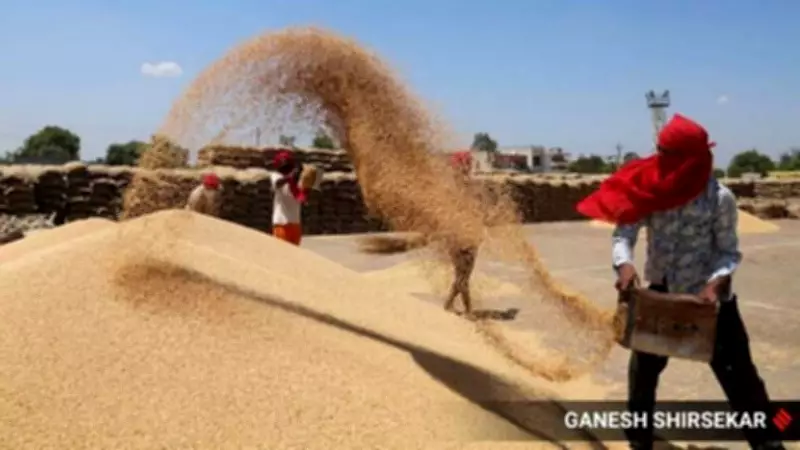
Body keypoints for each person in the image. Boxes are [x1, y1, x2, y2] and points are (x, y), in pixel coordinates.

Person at [577, 114, 784, 450]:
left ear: (694, 159)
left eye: (670, 155)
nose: (661, 161)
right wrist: (625, 264)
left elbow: (728, 252)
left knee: (742, 380)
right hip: (659, 298)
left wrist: (715, 284)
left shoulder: (720, 199)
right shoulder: (650, 187)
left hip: (709, 304)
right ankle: (639, 440)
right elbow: (624, 232)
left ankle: (768, 442)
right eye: (661, 153)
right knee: (642, 376)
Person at [443, 151, 478, 316]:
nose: (469, 166)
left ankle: (450, 304)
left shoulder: (450, 186)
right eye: (468, 163)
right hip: (461, 236)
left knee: (461, 274)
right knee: (463, 275)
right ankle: (468, 310)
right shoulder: (462, 186)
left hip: (461, 235)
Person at [270, 150, 307, 246]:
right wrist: (290, 176)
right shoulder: (276, 176)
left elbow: (304, 196)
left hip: (295, 223)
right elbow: (278, 184)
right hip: (281, 223)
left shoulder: (298, 181)